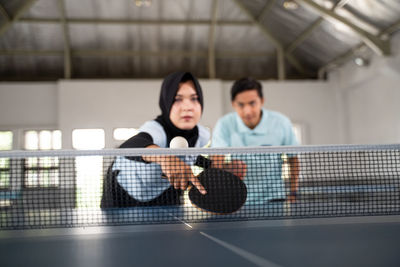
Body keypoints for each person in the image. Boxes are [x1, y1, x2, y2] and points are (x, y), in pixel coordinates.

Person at [101, 71, 244, 208]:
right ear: (167, 102)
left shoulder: (202, 135)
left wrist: (219, 168)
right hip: (122, 195)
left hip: (161, 194)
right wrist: (165, 158)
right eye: (178, 99)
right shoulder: (156, 129)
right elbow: (130, 145)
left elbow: (191, 157)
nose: (187, 107)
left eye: (194, 99)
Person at [211, 77, 299, 204]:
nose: (247, 111)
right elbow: (217, 161)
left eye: (252, 103)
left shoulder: (281, 122)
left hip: (274, 198)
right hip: (238, 199)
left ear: (262, 101)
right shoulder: (224, 124)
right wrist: (226, 169)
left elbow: (293, 159)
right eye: (241, 105)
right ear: (233, 104)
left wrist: (293, 193)